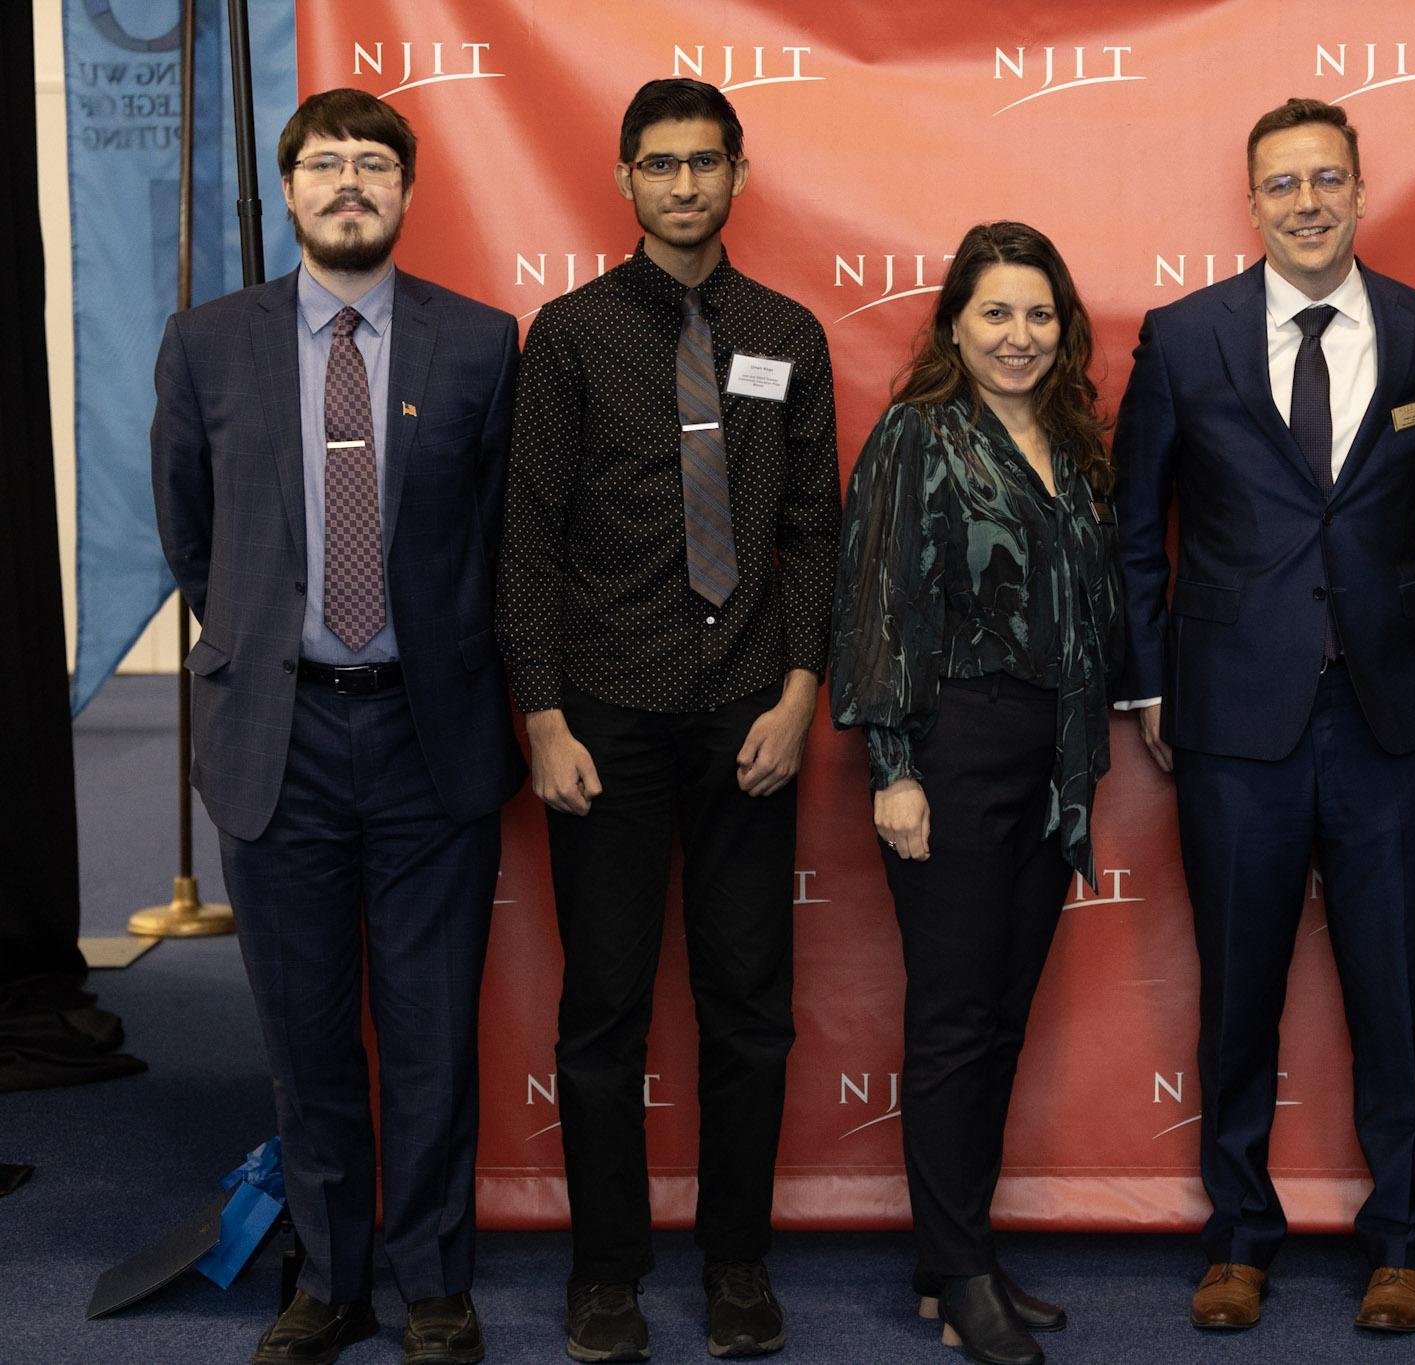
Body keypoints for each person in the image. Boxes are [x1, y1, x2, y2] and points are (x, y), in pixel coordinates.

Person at [151, 88, 521, 1365]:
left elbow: (499, 542)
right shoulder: (208, 342)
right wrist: (262, 642)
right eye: (323, 164)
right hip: (279, 741)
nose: (348, 182)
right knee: (304, 1037)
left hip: (432, 739)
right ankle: (329, 1276)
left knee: (431, 1035)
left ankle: (433, 1284)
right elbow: (190, 533)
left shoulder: (480, 343)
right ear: (290, 187)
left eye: (373, 163)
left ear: (407, 190)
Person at [494, 78, 840, 1362]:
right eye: (659, 164)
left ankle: (737, 1264)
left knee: (750, 1008)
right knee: (603, 1010)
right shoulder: (570, 336)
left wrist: (799, 696)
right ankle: (605, 1276)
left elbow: (813, 533)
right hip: (606, 716)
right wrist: (542, 717)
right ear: (624, 180)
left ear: (739, 174)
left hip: (749, 714)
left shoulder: (787, 334)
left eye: (704, 162)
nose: (683, 184)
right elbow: (527, 541)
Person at [1114, 96, 1415, 1334]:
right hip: (1228, 721)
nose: (1305, 203)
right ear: (1250, 203)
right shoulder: (1182, 336)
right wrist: (1148, 682)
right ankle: (1236, 1238)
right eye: (1281, 184)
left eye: (1325, 180)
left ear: (1359, 192)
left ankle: (1405, 1243)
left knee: (1395, 995)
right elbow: (1133, 526)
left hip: (1386, 718)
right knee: (1236, 995)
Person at [830, 220, 1122, 1365]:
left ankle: (954, 1258)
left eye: (1038, 314)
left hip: (1052, 758)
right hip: (951, 744)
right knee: (954, 1022)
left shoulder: (1072, 437)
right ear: (954, 323)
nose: (1018, 334)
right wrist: (893, 770)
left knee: (999, 1018)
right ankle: (958, 1275)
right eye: (995, 312)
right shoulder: (917, 433)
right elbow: (875, 599)